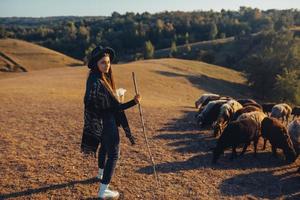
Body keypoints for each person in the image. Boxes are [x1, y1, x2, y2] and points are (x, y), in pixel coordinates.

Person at [80, 46, 141, 199]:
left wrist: (114, 96)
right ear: (96, 64)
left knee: (104, 149)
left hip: (101, 123)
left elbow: (105, 103)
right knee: (113, 154)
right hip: (107, 123)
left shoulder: (95, 78)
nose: (106, 65)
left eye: (108, 62)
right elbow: (114, 107)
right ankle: (103, 191)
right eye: (103, 63)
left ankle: (100, 174)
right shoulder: (98, 83)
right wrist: (134, 101)